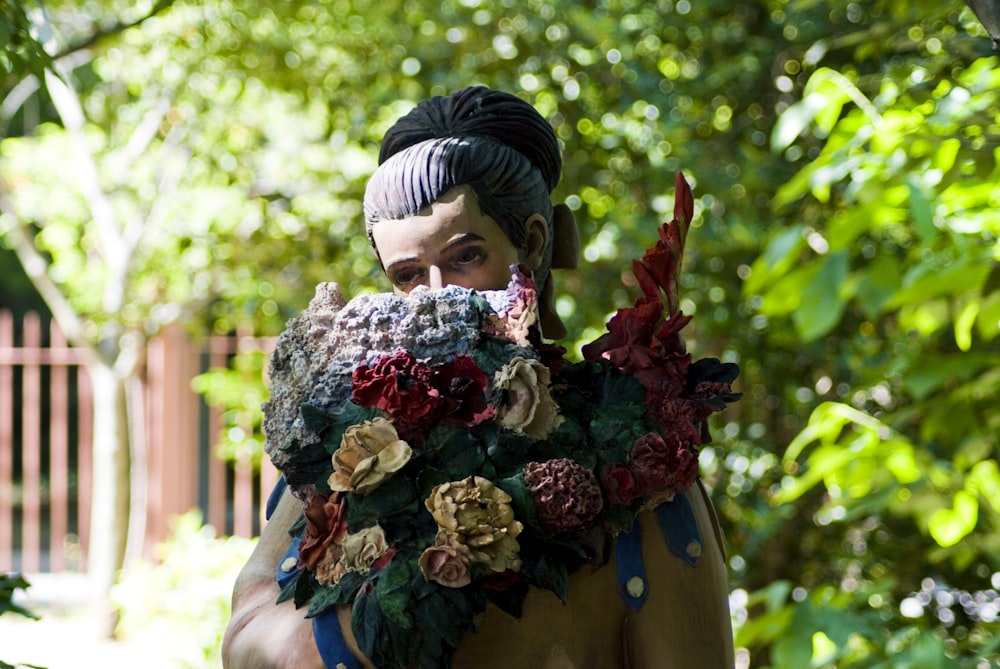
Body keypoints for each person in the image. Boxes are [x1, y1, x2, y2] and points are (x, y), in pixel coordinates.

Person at [222, 86, 735, 669]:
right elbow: (248, 645)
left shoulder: (638, 471)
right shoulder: (347, 455)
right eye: (409, 275)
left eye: (465, 257)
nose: (439, 297)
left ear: (533, 243)